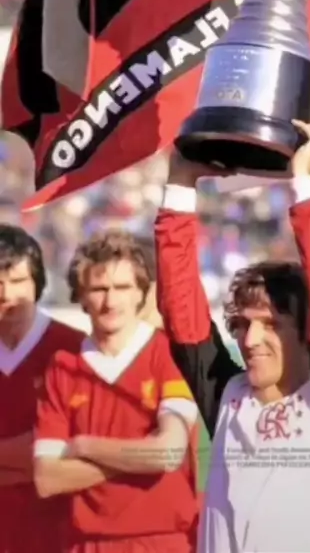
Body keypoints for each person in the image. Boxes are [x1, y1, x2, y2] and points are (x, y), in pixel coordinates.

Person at [156, 121, 310, 553]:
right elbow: (181, 314)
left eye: (272, 325)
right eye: (242, 324)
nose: (250, 340)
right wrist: (180, 184)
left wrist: (303, 185)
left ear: (307, 333)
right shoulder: (228, 396)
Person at [33, 229, 200, 553]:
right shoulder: (62, 367)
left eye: (122, 287)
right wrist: (140, 456)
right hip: (86, 545)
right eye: (99, 289)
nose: (111, 301)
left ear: (141, 292)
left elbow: (168, 454)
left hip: (162, 542)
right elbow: (47, 479)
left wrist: (84, 446)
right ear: (81, 296)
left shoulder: (170, 354)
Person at [0, 224, 84, 553]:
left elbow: (69, 451)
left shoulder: (73, 349)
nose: (6, 294)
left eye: (18, 281)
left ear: (37, 283)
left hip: (54, 533)